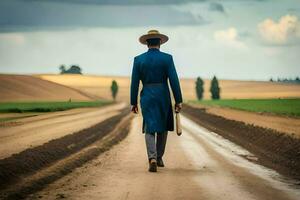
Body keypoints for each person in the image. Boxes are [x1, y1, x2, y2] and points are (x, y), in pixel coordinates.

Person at [130, 30, 183, 172]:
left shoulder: (138, 60)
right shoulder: (167, 59)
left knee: (149, 127)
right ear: (160, 42)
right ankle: (159, 157)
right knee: (163, 127)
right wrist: (178, 100)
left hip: (147, 96)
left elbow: (134, 83)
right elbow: (174, 81)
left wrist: (133, 102)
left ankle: (151, 158)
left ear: (147, 43)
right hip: (163, 96)